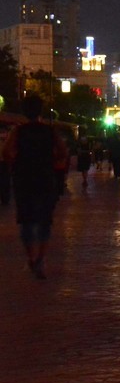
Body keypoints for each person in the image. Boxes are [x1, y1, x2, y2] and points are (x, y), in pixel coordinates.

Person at [2, 95, 68, 279]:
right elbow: (62, 152)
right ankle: (40, 257)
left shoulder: (18, 131)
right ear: (41, 111)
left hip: (24, 180)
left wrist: (18, 162)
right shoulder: (50, 131)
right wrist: (48, 160)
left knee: (26, 221)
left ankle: (31, 257)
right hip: (45, 179)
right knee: (45, 220)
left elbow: (6, 152)